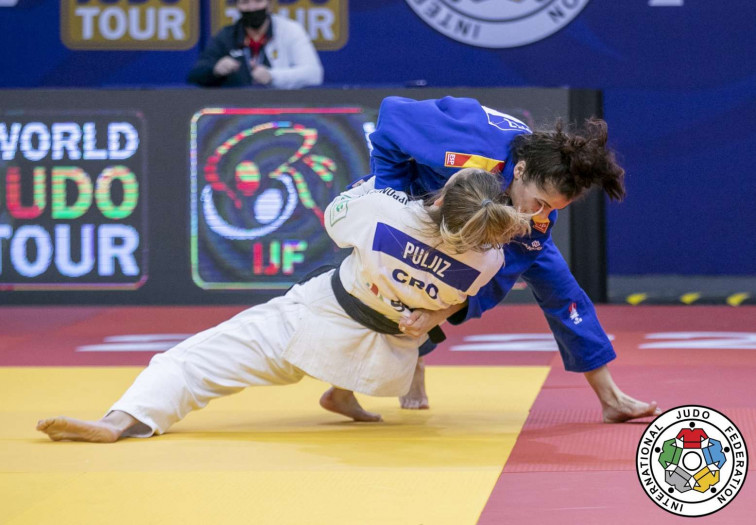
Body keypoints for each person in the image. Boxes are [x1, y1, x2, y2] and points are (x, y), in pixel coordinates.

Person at [37, 169, 532, 442]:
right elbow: (454, 298)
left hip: (316, 324)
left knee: (188, 362)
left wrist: (374, 183)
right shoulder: (488, 261)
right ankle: (341, 394)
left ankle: (118, 423)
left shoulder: (387, 212)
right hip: (385, 364)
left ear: (444, 199)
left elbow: (335, 217)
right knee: (398, 307)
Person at [364, 96, 661, 423]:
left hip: (491, 209)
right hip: (423, 193)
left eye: (552, 209)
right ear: (519, 170)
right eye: (539, 202)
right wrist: (389, 201)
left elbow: (500, 274)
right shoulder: (468, 148)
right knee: (399, 278)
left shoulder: (536, 215)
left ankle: (612, 399)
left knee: (563, 291)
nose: (539, 214)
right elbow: (392, 116)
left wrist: (445, 312)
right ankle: (413, 360)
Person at [187, 0, 323, 89]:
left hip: (280, 109)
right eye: (245, 2)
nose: (252, 8)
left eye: (258, 1)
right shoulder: (227, 36)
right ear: (238, 6)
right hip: (236, 112)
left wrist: (272, 76)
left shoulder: (290, 30)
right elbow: (195, 75)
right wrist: (215, 70)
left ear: (269, 4)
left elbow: (314, 74)